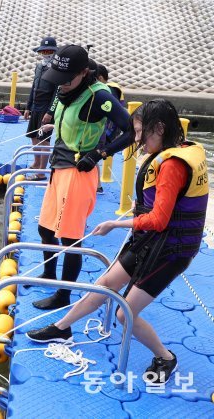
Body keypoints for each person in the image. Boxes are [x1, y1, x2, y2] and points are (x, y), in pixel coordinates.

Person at [26, 99, 209, 384]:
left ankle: (165, 356)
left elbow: (160, 220)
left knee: (125, 314)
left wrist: (115, 224)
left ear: (159, 128)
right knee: (106, 284)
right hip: (150, 239)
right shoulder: (180, 149)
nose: (137, 140)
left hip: (171, 250)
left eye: (140, 133)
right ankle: (63, 327)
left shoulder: (173, 164)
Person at [30, 45, 133, 310]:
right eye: (58, 80)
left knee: (69, 237)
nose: (61, 85)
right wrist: (54, 125)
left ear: (84, 72)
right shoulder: (67, 91)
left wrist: (99, 153)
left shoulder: (99, 97)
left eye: (66, 80)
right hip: (59, 167)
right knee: (45, 229)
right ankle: (49, 274)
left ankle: (63, 297)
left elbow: (131, 131)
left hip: (78, 172)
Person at [24, 36, 58, 179]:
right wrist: (28, 106)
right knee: (33, 136)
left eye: (49, 51)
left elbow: (57, 93)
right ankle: (37, 162)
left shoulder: (56, 69)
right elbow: (34, 87)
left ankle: (41, 172)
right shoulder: (39, 67)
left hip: (46, 107)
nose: (46, 54)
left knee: (44, 139)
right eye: (43, 51)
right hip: (36, 106)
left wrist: (50, 112)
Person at [95, 64, 126, 194]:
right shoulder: (110, 90)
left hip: (102, 131)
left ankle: (97, 185)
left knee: (92, 156)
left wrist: (107, 136)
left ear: (100, 78)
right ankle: (97, 184)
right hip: (105, 130)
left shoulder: (106, 91)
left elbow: (109, 116)